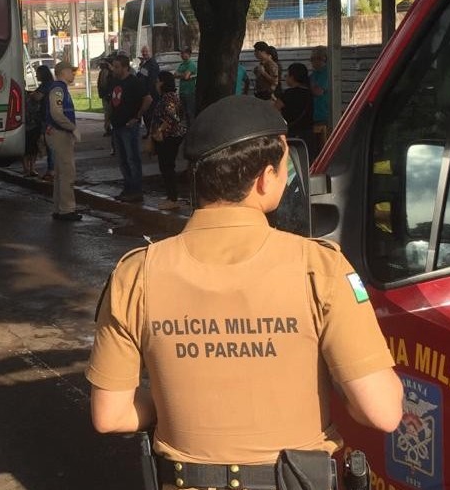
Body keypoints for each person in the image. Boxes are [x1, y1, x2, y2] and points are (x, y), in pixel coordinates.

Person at [87, 96, 402, 490]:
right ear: (265, 179)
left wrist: (177, 398)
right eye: (286, 170)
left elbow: (110, 414)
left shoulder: (135, 273)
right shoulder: (319, 268)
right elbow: (383, 411)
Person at [108, 53, 152, 203]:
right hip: (117, 125)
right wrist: (108, 119)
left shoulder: (134, 82)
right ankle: (128, 187)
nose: (114, 69)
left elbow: (147, 99)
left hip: (129, 125)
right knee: (122, 159)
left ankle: (136, 189)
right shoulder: (114, 82)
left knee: (132, 157)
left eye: (117, 67)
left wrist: (137, 116)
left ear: (125, 67)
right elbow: (111, 102)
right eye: (114, 66)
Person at [45, 61, 82, 221]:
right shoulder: (58, 89)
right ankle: (67, 209)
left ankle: (60, 208)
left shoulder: (60, 88)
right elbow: (56, 113)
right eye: (71, 71)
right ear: (63, 72)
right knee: (67, 172)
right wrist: (72, 128)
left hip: (58, 133)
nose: (73, 74)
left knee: (61, 173)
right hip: (60, 134)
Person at [151, 71, 187, 211]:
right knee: (166, 166)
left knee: (167, 167)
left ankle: (172, 198)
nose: (156, 84)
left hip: (169, 137)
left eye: (157, 81)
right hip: (170, 136)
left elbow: (172, 117)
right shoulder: (168, 97)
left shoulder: (168, 98)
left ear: (162, 83)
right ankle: (171, 196)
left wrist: (160, 129)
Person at [276, 62, 320, 157]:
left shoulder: (288, 93)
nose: (285, 78)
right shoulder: (309, 93)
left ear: (292, 77)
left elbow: (276, 108)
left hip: (291, 132)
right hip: (308, 133)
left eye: (287, 75)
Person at [23, 65, 54, 178]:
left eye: (37, 73)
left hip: (46, 117)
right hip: (50, 116)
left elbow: (37, 97)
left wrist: (30, 94)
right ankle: (50, 168)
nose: (36, 75)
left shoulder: (45, 86)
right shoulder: (51, 84)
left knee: (49, 145)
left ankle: (51, 170)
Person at [309, 46, 332, 145]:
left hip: (323, 114)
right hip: (314, 115)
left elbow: (318, 91)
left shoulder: (327, 73)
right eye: (311, 59)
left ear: (323, 59)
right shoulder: (314, 74)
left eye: (314, 59)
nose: (312, 62)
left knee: (324, 143)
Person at [138, 46, 161, 132]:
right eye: (143, 52)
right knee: (146, 114)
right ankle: (149, 132)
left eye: (146, 51)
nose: (144, 53)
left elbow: (152, 79)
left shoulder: (152, 64)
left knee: (150, 114)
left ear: (150, 52)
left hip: (151, 94)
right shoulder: (145, 64)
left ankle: (152, 132)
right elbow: (142, 76)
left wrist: (148, 92)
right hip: (145, 92)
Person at [175, 47, 198, 122]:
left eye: (183, 53)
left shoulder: (191, 64)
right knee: (182, 113)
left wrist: (181, 75)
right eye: (181, 53)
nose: (181, 55)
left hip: (189, 92)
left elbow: (186, 76)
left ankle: (191, 130)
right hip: (182, 92)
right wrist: (183, 74)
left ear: (188, 54)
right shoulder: (182, 64)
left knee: (189, 113)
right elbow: (175, 75)